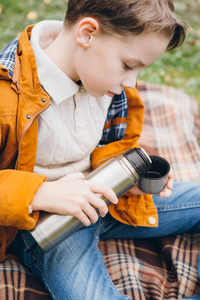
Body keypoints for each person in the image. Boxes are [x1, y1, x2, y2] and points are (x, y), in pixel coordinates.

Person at [1, 0, 199, 299]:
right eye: (128, 66)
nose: (131, 82)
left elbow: (110, 143)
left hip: (105, 198)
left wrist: (130, 180)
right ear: (87, 33)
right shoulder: (6, 92)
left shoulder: (106, 84)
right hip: (47, 223)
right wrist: (39, 194)